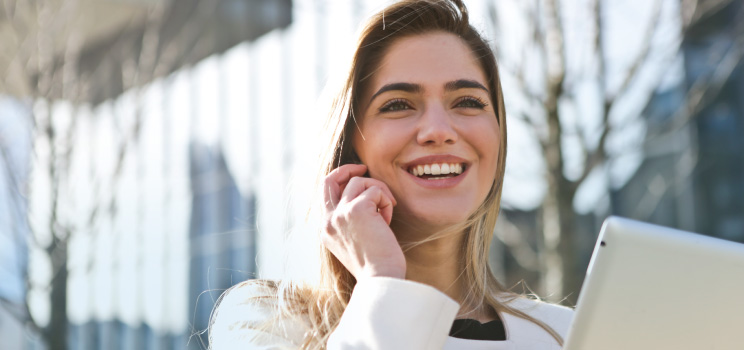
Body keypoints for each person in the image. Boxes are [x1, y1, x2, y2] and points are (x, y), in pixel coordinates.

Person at [209, 0, 573, 349]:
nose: (438, 130)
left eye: (467, 101)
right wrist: (381, 282)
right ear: (349, 146)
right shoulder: (267, 322)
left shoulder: (568, 334)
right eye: (398, 104)